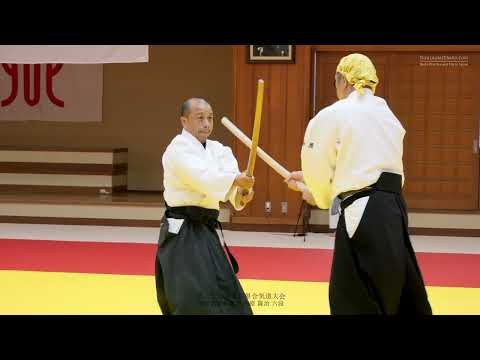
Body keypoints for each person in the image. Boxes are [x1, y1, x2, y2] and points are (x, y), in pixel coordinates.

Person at [286, 54, 432, 315]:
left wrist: (317, 195)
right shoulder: (388, 115)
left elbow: (316, 162)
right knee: (394, 282)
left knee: (354, 291)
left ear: (342, 81)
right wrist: (316, 183)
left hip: (363, 211)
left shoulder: (334, 113)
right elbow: (360, 164)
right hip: (394, 208)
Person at [155, 98, 254, 315]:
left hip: (205, 230)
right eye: (200, 118)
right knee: (190, 295)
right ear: (184, 121)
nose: (206, 123)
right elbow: (203, 178)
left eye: (210, 118)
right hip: (182, 232)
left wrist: (241, 193)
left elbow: (230, 187)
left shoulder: (219, 149)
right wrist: (236, 180)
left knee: (224, 288)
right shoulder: (177, 149)